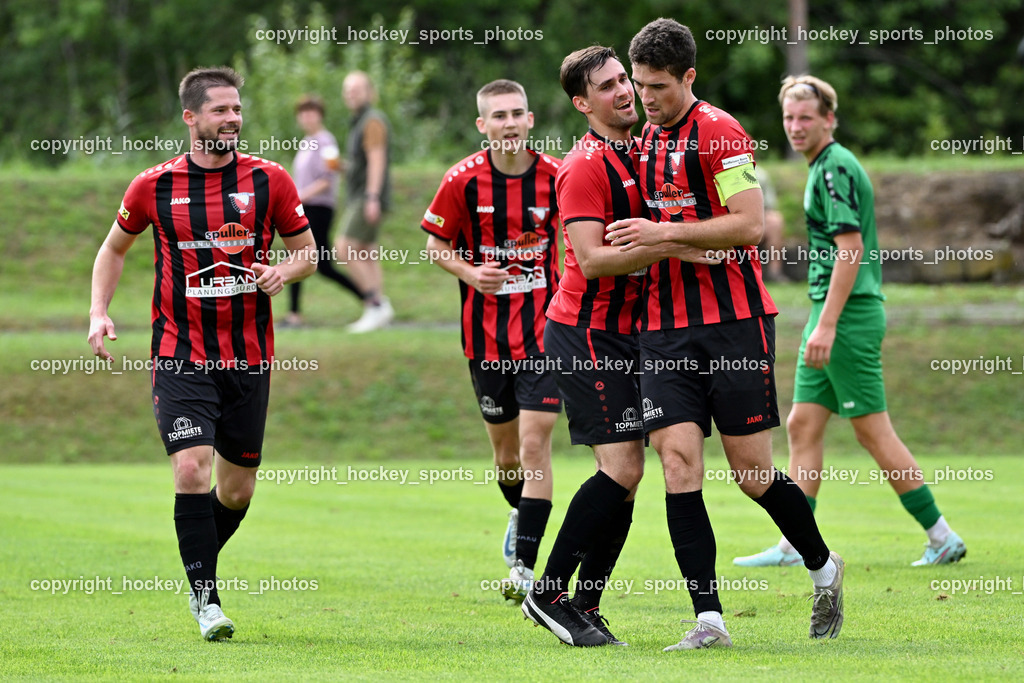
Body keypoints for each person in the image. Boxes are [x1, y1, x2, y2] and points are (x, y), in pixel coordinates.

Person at [605, 18, 845, 648]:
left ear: (689, 76)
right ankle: (708, 619)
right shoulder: (639, 143)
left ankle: (823, 568)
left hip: (734, 326)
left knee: (752, 473)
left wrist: (662, 237)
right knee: (678, 463)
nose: (646, 97)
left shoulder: (720, 135)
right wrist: (673, 246)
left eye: (658, 86)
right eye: (638, 85)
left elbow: (748, 226)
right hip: (661, 331)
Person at [87, 66, 316, 641]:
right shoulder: (152, 186)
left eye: (237, 109)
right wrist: (99, 310)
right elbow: (113, 249)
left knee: (236, 490)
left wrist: (282, 272)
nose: (233, 119)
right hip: (180, 352)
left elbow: (309, 253)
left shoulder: (270, 179)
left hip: (249, 357)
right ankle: (206, 598)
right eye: (220, 110)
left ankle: (196, 568)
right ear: (191, 118)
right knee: (192, 468)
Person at [521, 46, 716, 648]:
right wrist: (674, 245)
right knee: (624, 467)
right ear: (582, 104)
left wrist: (682, 238)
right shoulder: (583, 166)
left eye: (623, 82)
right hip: (586, 333)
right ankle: (548, 592)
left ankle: (585, 603)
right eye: (607, 87)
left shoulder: (639, 150)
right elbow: (594, 259)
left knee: (628, 477)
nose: (624, 93)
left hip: (626, 335)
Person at [732, 75, 967, 568]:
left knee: (872, 431)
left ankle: (942, 536)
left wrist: (827, 324)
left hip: (849, 315)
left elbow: (850, 250)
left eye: (805, 118)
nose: (795, 127)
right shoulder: (823, 167)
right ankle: (796, 543)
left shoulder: (835, 168)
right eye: (788, 118)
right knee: (802, 423)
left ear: (829, 120)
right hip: (832, 312)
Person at [421, 79, 563, 603]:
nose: (509, 123)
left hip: (547, 335)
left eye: (517, 113)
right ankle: (517, 509)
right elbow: (434, 245)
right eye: (498, 115)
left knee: (534, 446)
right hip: (485, 341)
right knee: (507, 459)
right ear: (483, 126)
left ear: (530, 120)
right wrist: (468, 271)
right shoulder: (462, 180)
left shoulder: (556, 175)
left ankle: (525, 569)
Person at [283, 94, 364, 327]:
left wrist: (298, 197)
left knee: (323, 265)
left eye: (312, 112)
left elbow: (328, 179)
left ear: (320, 115)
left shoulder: (326, 141)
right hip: (305, 207)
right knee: (299, 256)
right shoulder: (306, 142)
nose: (307, 118)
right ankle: (294, 314)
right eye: (303, 113)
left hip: (319, 208)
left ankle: (370, 298)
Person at [339, 71, 394, 333]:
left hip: (366, 196)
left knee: (344, 247)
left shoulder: (372, 121)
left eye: (357, 89)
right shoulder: (359, 121)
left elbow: (377, 159)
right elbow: (364, 162)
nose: (352, 94)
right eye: (348, 90)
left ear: (370, 92)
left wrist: (372, 196)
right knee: (366, 251)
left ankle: (375, 304)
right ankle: (380, 310)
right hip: (363, 193)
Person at [756, 166, 790, 282]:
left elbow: (770, 206)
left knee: (776, 220)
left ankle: (774, 272)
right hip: (731, 218)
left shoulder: (760, 174)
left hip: (757, 219)